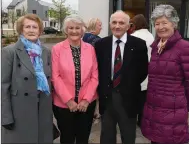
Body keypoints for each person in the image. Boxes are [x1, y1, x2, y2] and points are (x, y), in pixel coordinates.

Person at [141, 4, 189, 144]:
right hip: (154, 109)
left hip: (173, 110)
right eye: (157, 23)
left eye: (165, 22)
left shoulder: (184, 47)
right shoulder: (156, 47)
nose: (161, 27)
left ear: (173, 24)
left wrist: (186, 104)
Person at [95, 10, 148, 144]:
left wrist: (128, 86)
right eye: (114, 22)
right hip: (107, 99)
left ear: (128, 26)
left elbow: (143, 71)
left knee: (128, 136)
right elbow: (98, 70)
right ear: (110, 24)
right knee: (107, 137)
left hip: (129, 99)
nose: (117, 26)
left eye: (121, 23)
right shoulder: (101, 44)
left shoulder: (139, 44)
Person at [1, 14, 53, 143]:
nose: (31, 30)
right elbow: (3, 86)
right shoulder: (9, 52)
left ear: (40, 31)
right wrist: (5, 117)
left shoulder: (45, 52)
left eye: (34, 27)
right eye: (27, 26)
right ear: (21, 30)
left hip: (42, 110)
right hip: (19, 111)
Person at [52, 15, 98, 144]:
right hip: (63, 104)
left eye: (77, 27)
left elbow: (94, 76)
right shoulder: (57, 49)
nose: (74, 31)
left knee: (83, 138)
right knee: (67, 138)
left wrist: (86, 99)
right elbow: (55, 76)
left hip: (86, 104)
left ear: (82, 30)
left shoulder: (90, 49)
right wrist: (68, 100)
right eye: (70, 28)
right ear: (66, 30)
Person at [130, 14, 154, 126]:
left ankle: (132, 119)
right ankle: (142, 120)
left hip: (136, 71)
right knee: (144, 98)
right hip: (148, 70)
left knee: (134, 98)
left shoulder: (134, 36)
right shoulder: (151, 36)